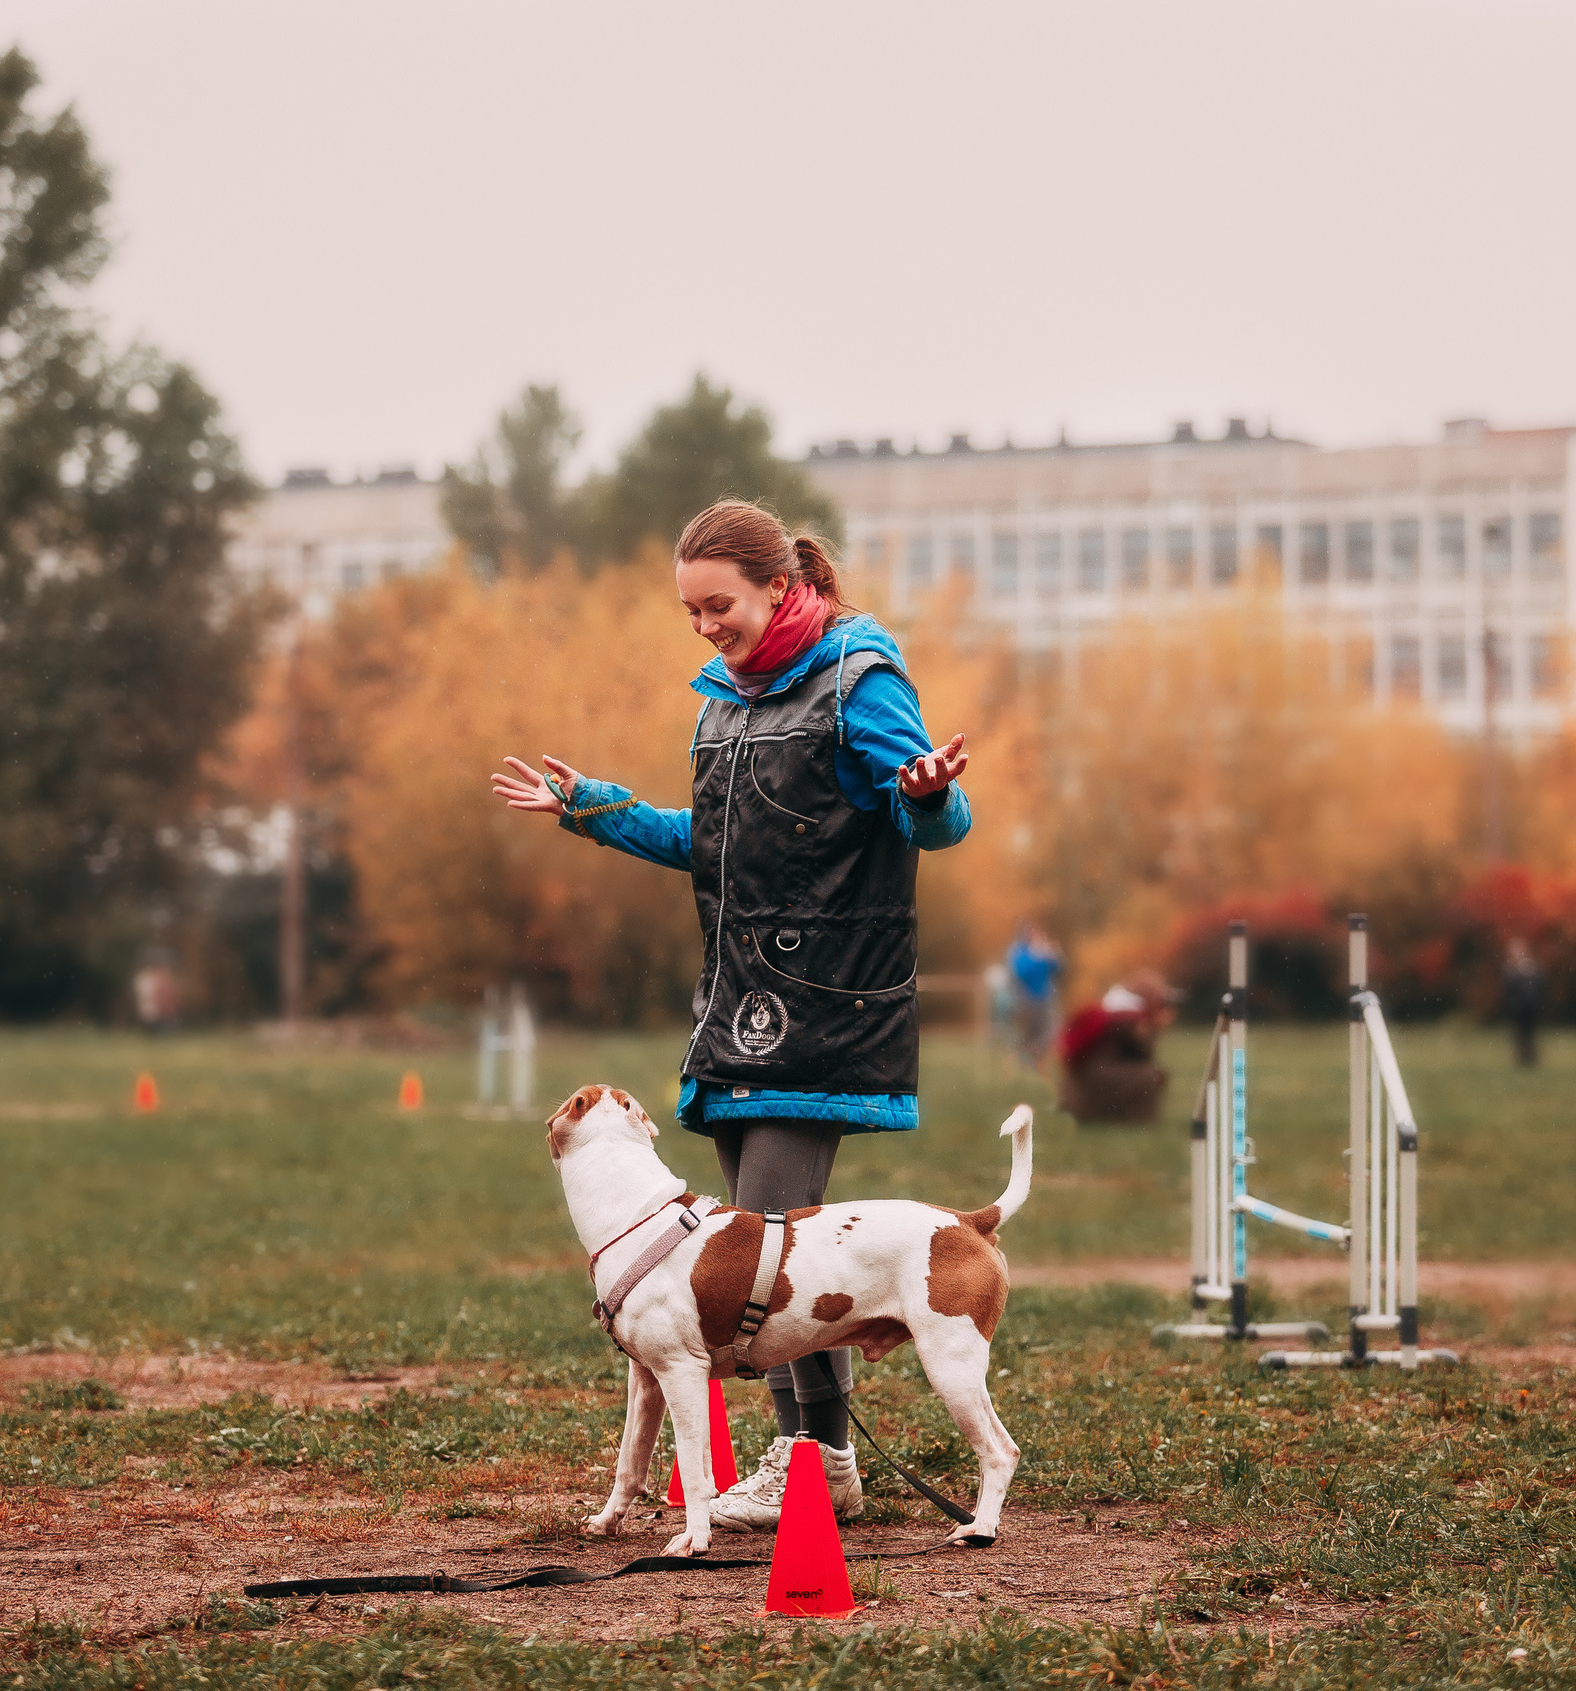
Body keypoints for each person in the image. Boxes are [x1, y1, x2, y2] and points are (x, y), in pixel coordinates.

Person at [492, 499, 972, 1533]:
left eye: (720, 606)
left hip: (830, 1010)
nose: (706, 627)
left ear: (778, 588)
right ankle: (823, 1466)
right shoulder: (721, 704)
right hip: (737, 1013)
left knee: (757, 1270)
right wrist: (594, 807)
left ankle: (812, 1460)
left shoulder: (859, 681)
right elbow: (704, 844)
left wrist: (928, 794)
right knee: (766, 1266)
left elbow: (933, 815)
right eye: (691, 613)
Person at [1055, 968, 1180, 1124]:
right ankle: (1137, 1122)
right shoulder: (1129, 1016)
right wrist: (1157, 1026)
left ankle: (1116, 1118)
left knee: (1144, 1074)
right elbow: (1143, 1052)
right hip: (1095, 1077)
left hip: (1085, 1078)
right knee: (1151, 1077)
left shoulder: (1114, 1008)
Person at [1005, 922, 1063, 1068]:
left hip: (1046, 998)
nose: (1037, 936)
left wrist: (1054, 956)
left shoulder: (1043, 950)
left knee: (1051, 1033)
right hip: (1027, 1000)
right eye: (1033, 933)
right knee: (1031, 1033)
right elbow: (1020, 973)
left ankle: (1028, 1059)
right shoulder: (1019, 951)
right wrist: (1036, 958)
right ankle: (1027, 1061)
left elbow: (1059, 970)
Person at [1503, 937, 1543, 1068]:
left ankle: (1530, 1057)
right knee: (1520, 1034)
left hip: (1530, 1006)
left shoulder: (1529, 968)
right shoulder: (1512, 970)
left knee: (1529, 1034)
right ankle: (1523, 1057)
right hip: (1518, 1008)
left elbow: (1539, 986)